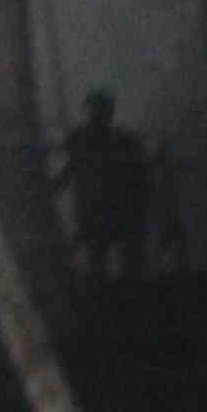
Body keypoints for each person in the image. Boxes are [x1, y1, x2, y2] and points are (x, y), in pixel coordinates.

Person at [58, 88, 157, 282]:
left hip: (114, 210)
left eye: (102, 109)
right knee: (103, 259)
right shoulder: (85, 139)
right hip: (103, 211)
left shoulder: (122, 141)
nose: (99, 115)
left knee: (116, 261)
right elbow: (73, 168)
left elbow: (140, 173)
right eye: (98, 109)